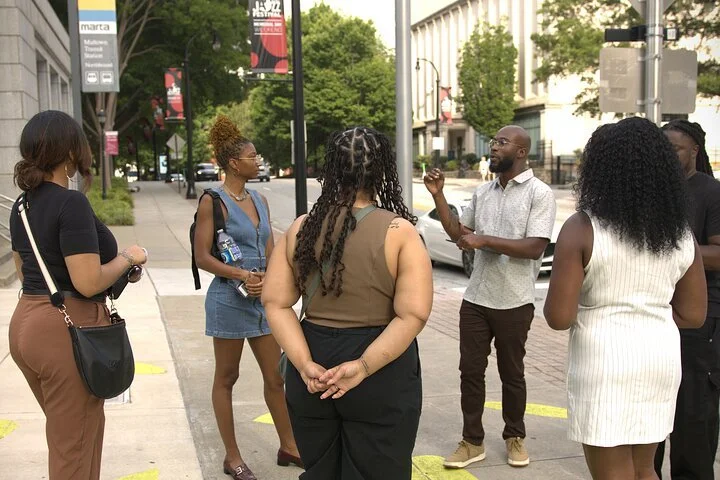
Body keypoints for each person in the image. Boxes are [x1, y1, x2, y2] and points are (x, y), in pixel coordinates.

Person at [262, 126, 433, 480]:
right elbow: (413, 314)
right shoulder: (399, 232)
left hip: (313, 365)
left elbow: (276, 304)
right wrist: (363, 367)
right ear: (383, 172)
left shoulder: (301, 228)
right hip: (380, 367)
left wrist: (304, 363)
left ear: (330, 171)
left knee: (321, 470)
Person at [544, 117, 708, 480]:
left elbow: (558, 316)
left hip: (604, 359)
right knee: (644, 468)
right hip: (660, 356)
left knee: (613, 473)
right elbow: (694, 315)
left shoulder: (582, 227)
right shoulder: (681, 234)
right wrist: (646, 313)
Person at [8, 110, 148, 480]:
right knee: (74, 449)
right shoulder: (71, 203)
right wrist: (129, 257)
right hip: (66, 329)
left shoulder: (23, 205)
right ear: (71, 153)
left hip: (27, 323)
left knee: (72, 435)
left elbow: (26, 269)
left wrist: (117, 270)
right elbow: (87, 282)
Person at [424, 125, 556, 469]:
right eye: (494, 142)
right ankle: (472, 441)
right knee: (470, 371)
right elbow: (460, 235)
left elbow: (535, 247)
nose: (494, 147)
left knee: (512, 374)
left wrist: (484, 241)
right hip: (477, 298)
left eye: (501, 143)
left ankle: (515, 437)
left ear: (522, 152)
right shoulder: (483, 192)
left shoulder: (539, 194)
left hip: (515, 299)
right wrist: (438, 195)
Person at [193, 115, 300, 480]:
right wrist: (241, 274)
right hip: (228, 298)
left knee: (276, 376)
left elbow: (271, 249)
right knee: (227, 377)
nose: (259, 161)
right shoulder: (213, 201)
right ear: (234, 163)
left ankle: (289, 445)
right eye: (253, 157)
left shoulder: (260, 199)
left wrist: (269, 278)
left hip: (261, 300)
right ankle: (232, 456)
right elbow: (202, 256)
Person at [654, 120, 720, 480]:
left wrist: (675, 249)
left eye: (675, 148)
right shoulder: (655, 193)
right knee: (649, 420)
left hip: (701, 322)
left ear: (694, 150)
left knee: (693, 419)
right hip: (656, 314)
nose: (668, 154)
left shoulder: (711, 193)